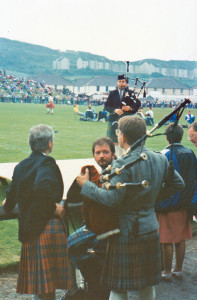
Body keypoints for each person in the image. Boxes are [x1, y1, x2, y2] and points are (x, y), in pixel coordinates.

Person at [76, 115, 184, 300]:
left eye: (118, 132)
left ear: (122, 136)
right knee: (146, 286)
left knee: (118, 287)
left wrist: (86, 186)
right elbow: (178, 184)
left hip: (127, 232)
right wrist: (152, 196)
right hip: (150, 229)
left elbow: (111, 199)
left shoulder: (122, 164)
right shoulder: (159, 158)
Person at [2, 124, 70, 300]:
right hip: (45, 227)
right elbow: (42, 189)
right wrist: (53, 207)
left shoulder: (21, 166)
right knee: (46, 286)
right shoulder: (47, 162)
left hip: (29, 228)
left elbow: (11, 194)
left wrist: (8, 205)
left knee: (41, 285)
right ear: (49, 144)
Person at [62, 137, 116, 300]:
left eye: (105, 152)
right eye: (98, 153)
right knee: (66, 245)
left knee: (71, 246)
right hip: (95, 227)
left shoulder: (117, 173)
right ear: (93, 155)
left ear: (113, 154)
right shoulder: (94, 174)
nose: (101, 156)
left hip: (109, 229)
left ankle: (75, 290)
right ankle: (75, 288)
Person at [155, 123, 196, 281]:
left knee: (166, 239)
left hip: (168, 202)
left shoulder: (165, 153)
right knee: (180, 237)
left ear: (166, 137)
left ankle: (166, 271)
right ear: (181, 135)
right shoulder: (190, 152)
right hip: (186, 202)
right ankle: (178, 269)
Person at [105, 74, 141, 157]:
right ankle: (115, 159)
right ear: (117, 82)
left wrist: (130, 108)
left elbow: (137, 105)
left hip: (126, 121)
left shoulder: (131, 93)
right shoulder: (112, 93)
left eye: (123, 82)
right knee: (113, 142)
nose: (121, 83)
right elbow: (106, 106)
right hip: (113, 120)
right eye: (120, 81)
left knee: (125, 141)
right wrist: (114, 110)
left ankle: (124, 158)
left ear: (126, 83)